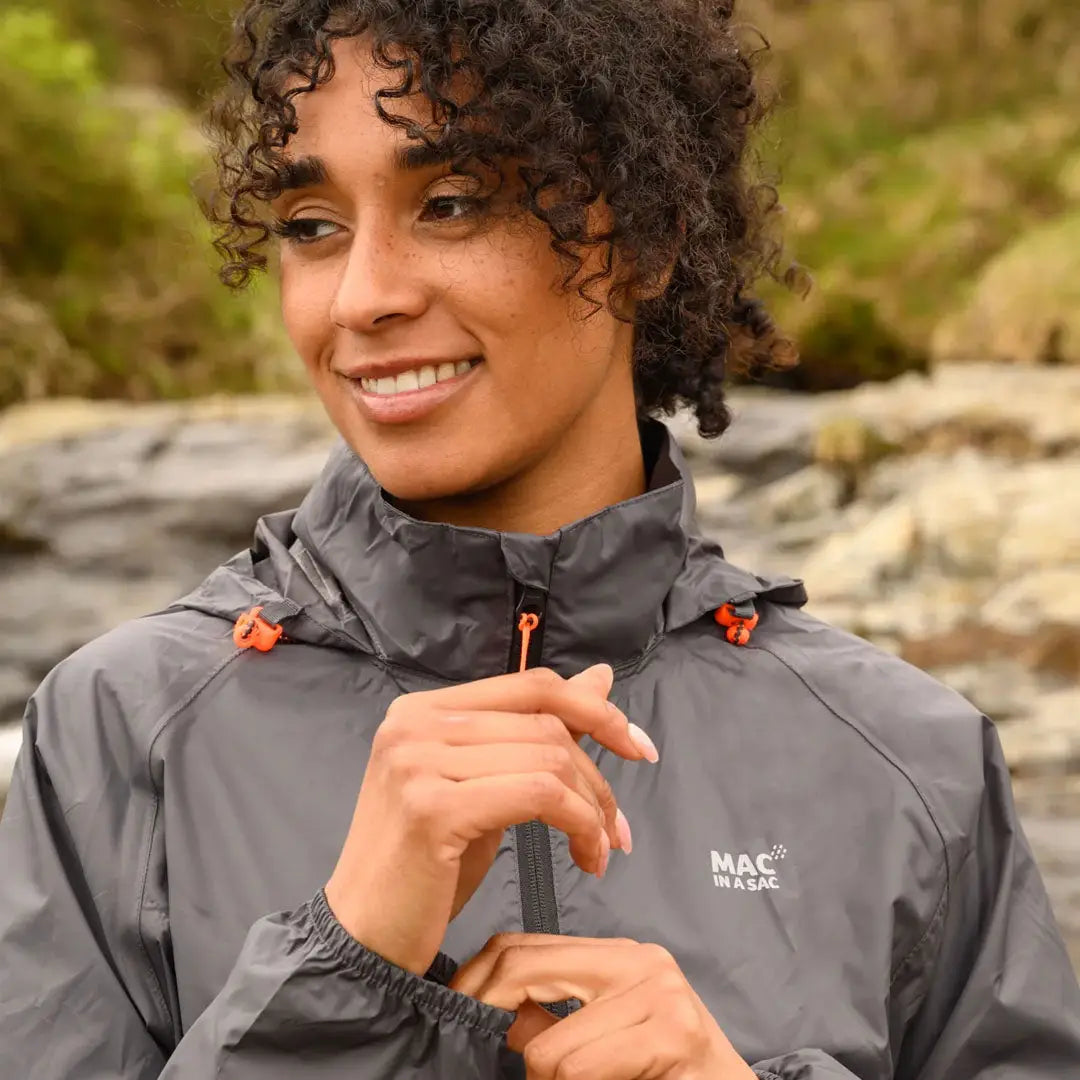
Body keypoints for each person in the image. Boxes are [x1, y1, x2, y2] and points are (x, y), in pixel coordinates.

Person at [1, 1, 1078, 1077]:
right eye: (312, 226)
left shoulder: (910, 766)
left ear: (644, 243)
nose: (363, 297)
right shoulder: (118, 739)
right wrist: (340, 969)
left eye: (453, 203)